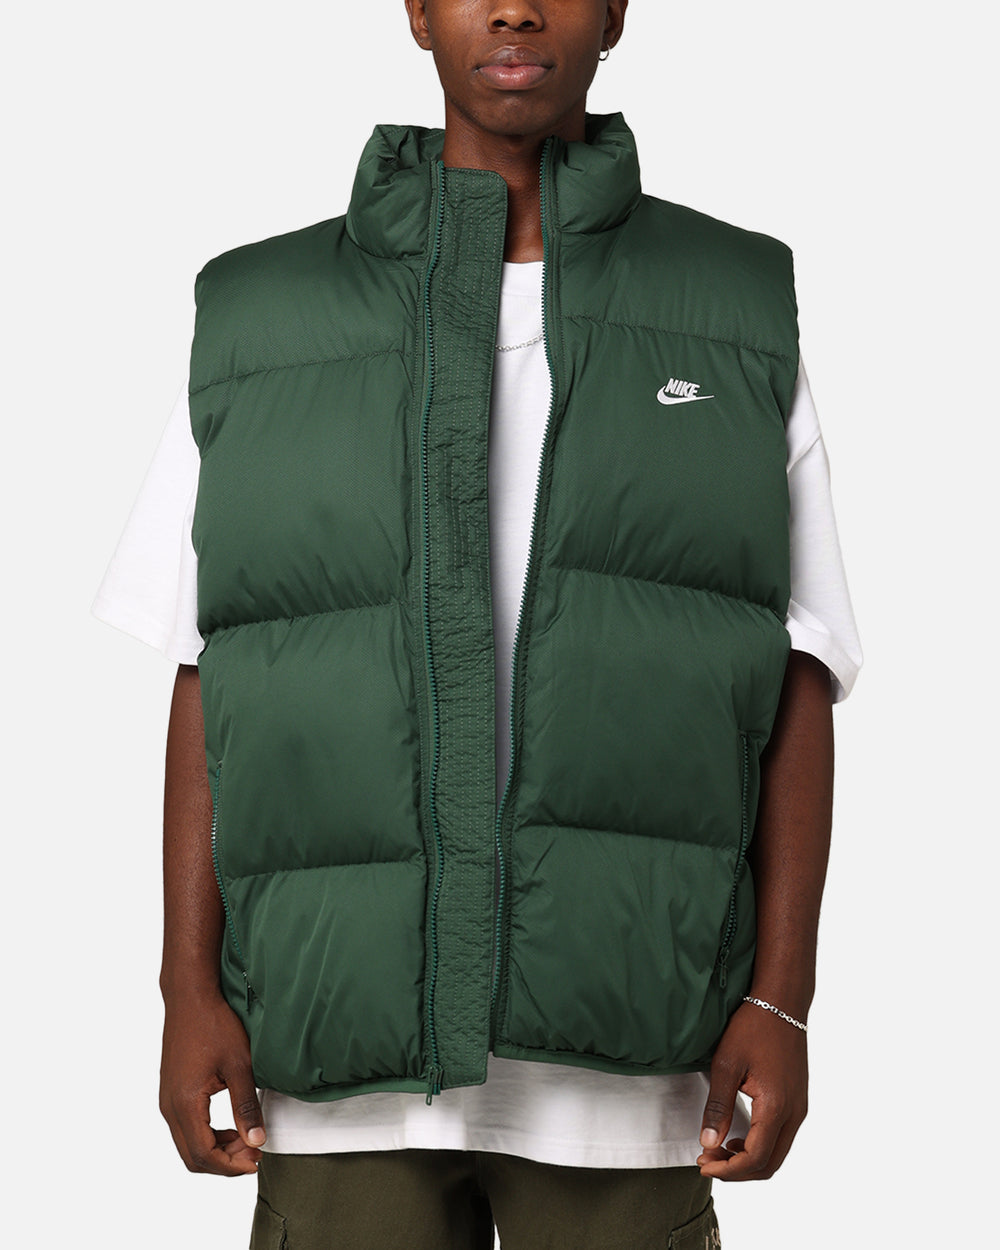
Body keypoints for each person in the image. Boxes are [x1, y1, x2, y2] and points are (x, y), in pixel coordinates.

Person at [93, 1, 862, 1245]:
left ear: (615, 10)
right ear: (416, 10)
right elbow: (208, 669)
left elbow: (797, 674)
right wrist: (186, 988)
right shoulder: (261, 319)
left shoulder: (729, 306)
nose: (513, 6)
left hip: (630, 1062)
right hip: (340, 1059)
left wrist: (781, 1001)